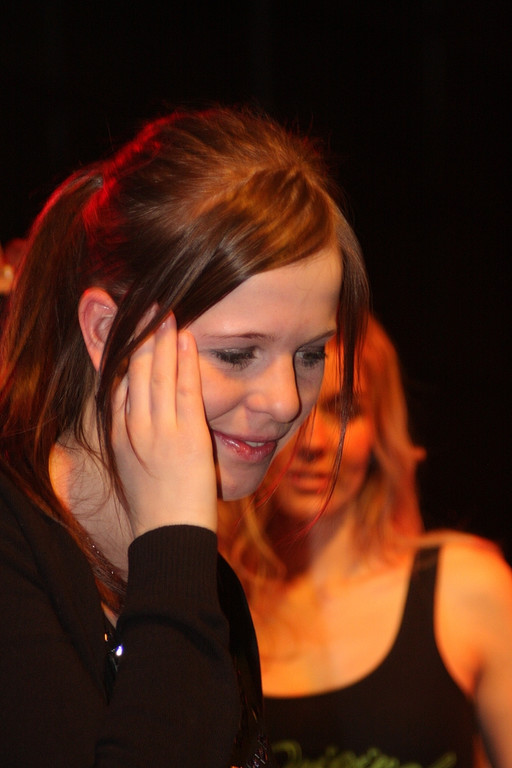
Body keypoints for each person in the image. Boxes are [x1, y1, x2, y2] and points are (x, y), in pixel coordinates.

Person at [0, 106, 368, 767]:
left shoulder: (206, 583)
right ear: (106, 332)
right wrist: (174, 543)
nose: (287, 401)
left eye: (310, 354)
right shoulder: (17, 549)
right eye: (236, 354)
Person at [219, 316, 512, 768]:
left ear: (379, 431)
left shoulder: (468, 589)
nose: (314, 443)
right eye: (295, 409)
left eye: (344, 410)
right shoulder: (214, 603)